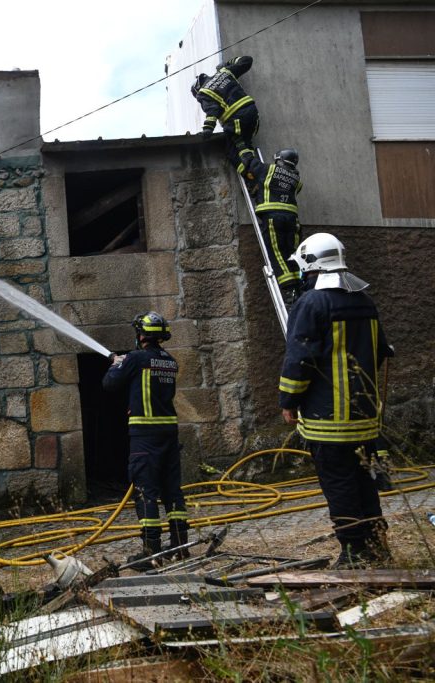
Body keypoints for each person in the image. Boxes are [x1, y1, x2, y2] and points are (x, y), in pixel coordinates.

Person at [279, 233, 395, 568]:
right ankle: (376, 547)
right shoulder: (364, 301)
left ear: (310, 264)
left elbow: (299, 358)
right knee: (364, 482)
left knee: (340, 484)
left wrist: (289, 400)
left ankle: (354, 552)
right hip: (365, 415)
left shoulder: (311, 304)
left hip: (327, 419)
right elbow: (380, 351)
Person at [103, 312, 188, 569]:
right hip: (169, 434)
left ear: (141, 334)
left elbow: (109, 384)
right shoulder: (169, 361)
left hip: (145, 436)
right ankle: (181, 545)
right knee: (172, 490)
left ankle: (151, 551)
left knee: (145, 492)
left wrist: (117, 363)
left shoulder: (136, 358)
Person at [235, 145, 304, 303]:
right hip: (293, 220)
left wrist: (243, 147)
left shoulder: (269, 169)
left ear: (280, 160)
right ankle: (299, 286)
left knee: (277, 253)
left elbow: (250, 164)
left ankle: (289, 291)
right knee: (291, 253)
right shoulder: (297, 179)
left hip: (273, 216)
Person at [191, 56, 259, 156]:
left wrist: (207, 129)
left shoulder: (203, 92)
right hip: (252, 112)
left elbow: (212, 110)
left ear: (197, 89)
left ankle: (253, 169)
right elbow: (247, 60)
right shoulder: (225, 72)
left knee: (233, 152)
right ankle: (254, 165)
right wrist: (227, 63)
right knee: (245, 145)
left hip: (236, 119)